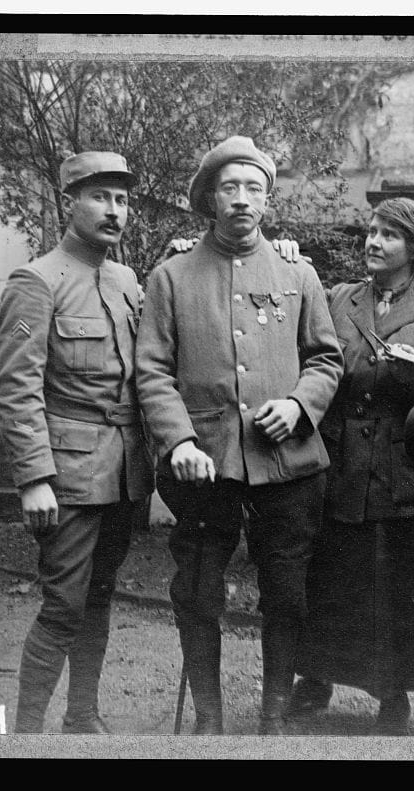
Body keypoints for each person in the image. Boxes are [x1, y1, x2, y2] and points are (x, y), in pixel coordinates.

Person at [135, 136, 342, 735]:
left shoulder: (298, 273)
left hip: (287, 461)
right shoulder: (171, 276)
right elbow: (151, 370)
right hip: (205, 463)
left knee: (287, 593)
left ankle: (274, 714)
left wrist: (301, 406)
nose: (243, 199)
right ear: (209, 198)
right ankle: (209, 716)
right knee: (198, 592)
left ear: (269, 200)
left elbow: (326, 359)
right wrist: (178, 442)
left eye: (254, 188)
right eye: (230, 187)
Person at [289, 197, 414, 735]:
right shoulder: (338, 298)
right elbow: (306, 354)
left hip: (407, 472)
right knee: (330, 578)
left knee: (398, 584)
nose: (373, 242)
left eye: (388, 235)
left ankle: (393, 691)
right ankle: (315, 676)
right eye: (371, 231)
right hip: (340, 466)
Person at [0, 151, 154, 734]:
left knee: (101, 597)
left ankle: (81, 716)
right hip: (67, 475)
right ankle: (27, 733)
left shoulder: (127, 280)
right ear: (70, 202)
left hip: (125, 473)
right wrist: (33, 478)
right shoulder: (36, 282)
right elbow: (16, 388)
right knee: (63, 605)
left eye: (123, 199)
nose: (115, 211)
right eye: (100, 197)